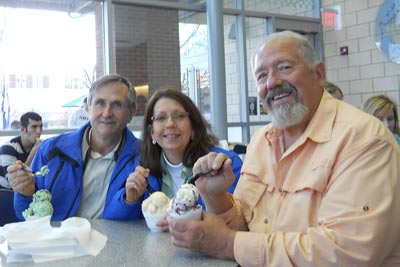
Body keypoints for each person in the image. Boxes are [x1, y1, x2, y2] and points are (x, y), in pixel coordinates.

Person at [167, 31, 400, 266]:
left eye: (285, 67)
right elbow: (250, 226)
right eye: (261, 75)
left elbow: (346, 252)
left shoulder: (364, 140)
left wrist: (229, 244)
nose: (272, 82)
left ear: (319, 74)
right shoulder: (261, 140)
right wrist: (217, 197)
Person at [7, 74, 142, 221]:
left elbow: (140, 221)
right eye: (100, 103)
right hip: (58, 240)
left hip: (115, 241)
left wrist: (129, 201)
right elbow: (23, 214)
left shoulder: (144, 157)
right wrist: (25, 193)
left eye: (117, 104)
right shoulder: (51, 150)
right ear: (87, 109)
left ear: (131, 112)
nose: (107, 113)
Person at [125, 88, 242, 227]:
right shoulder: (141, 167)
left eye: (179, 116)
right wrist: (130, 200)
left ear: (193, 127)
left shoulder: (225, 164)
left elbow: (238, 223)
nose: (170, 124)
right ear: (152, 133)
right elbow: (122, 225)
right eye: (161, 118)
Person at [0, 112, 43, 189]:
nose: (39, 132)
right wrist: (32, 154)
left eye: (41, 127)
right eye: (34, 127)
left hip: (29, 190)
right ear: (23, 129)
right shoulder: (8, 148)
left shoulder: (38, 147)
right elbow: (16, 181)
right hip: (7, 193)